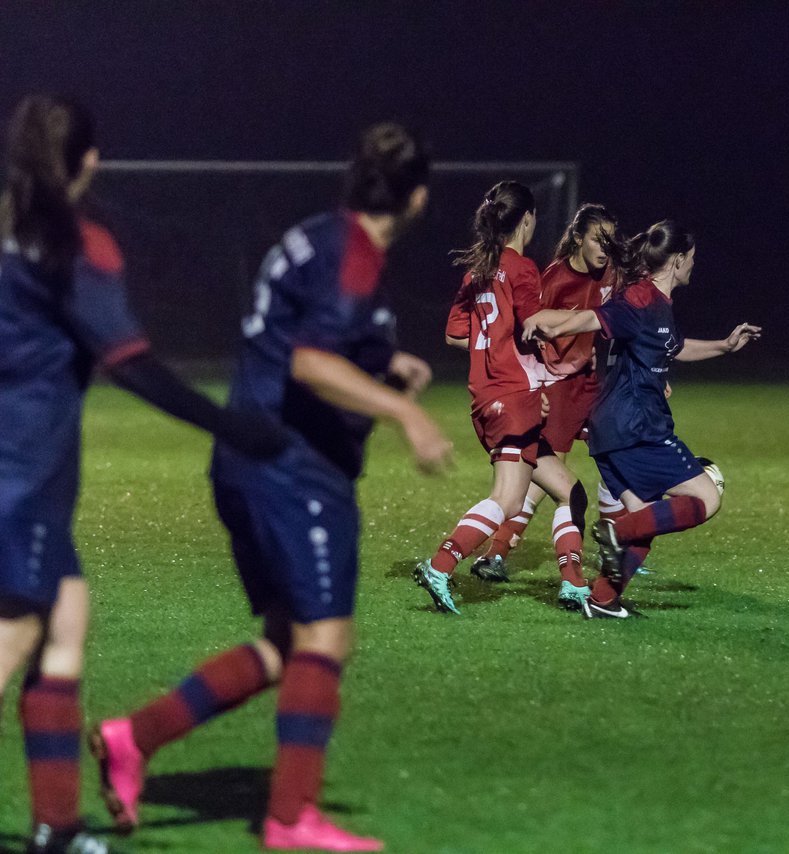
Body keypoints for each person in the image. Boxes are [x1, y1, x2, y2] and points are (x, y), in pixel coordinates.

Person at [91, 122, 451, 852]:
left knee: (290, 642)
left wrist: (387, 368)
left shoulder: (320, 236)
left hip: (247, 455)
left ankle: (135, 738)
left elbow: (310, 340)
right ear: (416, 198)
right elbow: (312, 362)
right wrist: (404, 412)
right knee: (326, 638)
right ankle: (291, 820)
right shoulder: (353, 256)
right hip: (294, 468)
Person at [0, 95, 288, 854]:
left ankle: (57, 828)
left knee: (64, 621)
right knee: (11, 637)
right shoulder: (70, 244)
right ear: (88, 160)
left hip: (22, 478)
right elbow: (133, 367)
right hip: (19, 479)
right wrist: (234, 427)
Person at [523, 220, 761, 618]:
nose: (693, 266)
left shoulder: (656, 305)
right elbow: (590, 318)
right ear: (678, 259)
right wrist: (546, 319)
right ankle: (617, 533)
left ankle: (602, 599)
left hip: (614, 429)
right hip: (637, 427)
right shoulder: (638, 299)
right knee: (707, 497)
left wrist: (724, 345)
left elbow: (673, 347)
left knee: (645, 520)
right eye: (692, 259)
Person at [415, 181, 588, 613]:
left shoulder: (476, 270)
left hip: (493, 397)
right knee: (509, 499)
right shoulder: (521, 267)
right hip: (513, 398)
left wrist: (499, 346)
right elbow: (534, 321)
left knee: (571, 492)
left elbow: (455, 334)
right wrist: (588, 319)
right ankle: (440, 565)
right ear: (527, 219)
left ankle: (573, 584)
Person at [468, 203, 627, 583]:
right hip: (556, 386)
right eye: (597, 239)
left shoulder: (611, 274)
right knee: (548, 480)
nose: (605, 248)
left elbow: (624, 321)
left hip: (588, 382)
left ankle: (620, 542)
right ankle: (497, 553)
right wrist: (534, 383)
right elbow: (528, 332)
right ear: (577, 239)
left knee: (620, 451)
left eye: (610, 240)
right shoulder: (552, 280)